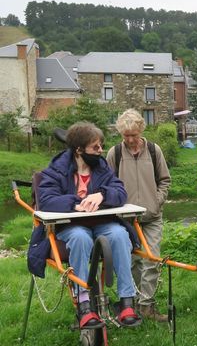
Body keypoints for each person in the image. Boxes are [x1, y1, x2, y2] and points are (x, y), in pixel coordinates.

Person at [27, 122, 140, 328]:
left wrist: (102, 194)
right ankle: (84, 304)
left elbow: (120, 192)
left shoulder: (102, 167)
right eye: (96, 147)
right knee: (80, 237)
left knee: (120, 234)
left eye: (101, 146)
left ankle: (126, 301)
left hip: (102, 222)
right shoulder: (57, 169)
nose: (101, 151)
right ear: (79, 150)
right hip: (71, 225)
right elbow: (46, 199)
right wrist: (75, 204)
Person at [106, 109, 172, 322]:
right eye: (126, 135)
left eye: (134, 134)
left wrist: (156, 200)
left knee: (152, 259)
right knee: (132, 262)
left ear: (141, 130)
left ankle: (147, 307)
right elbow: (107, 185)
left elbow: (165, 180)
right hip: (126, 221)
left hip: (152, 217)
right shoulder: (114, 154)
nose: (130, 139)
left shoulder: (154, 150)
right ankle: (131, 303)